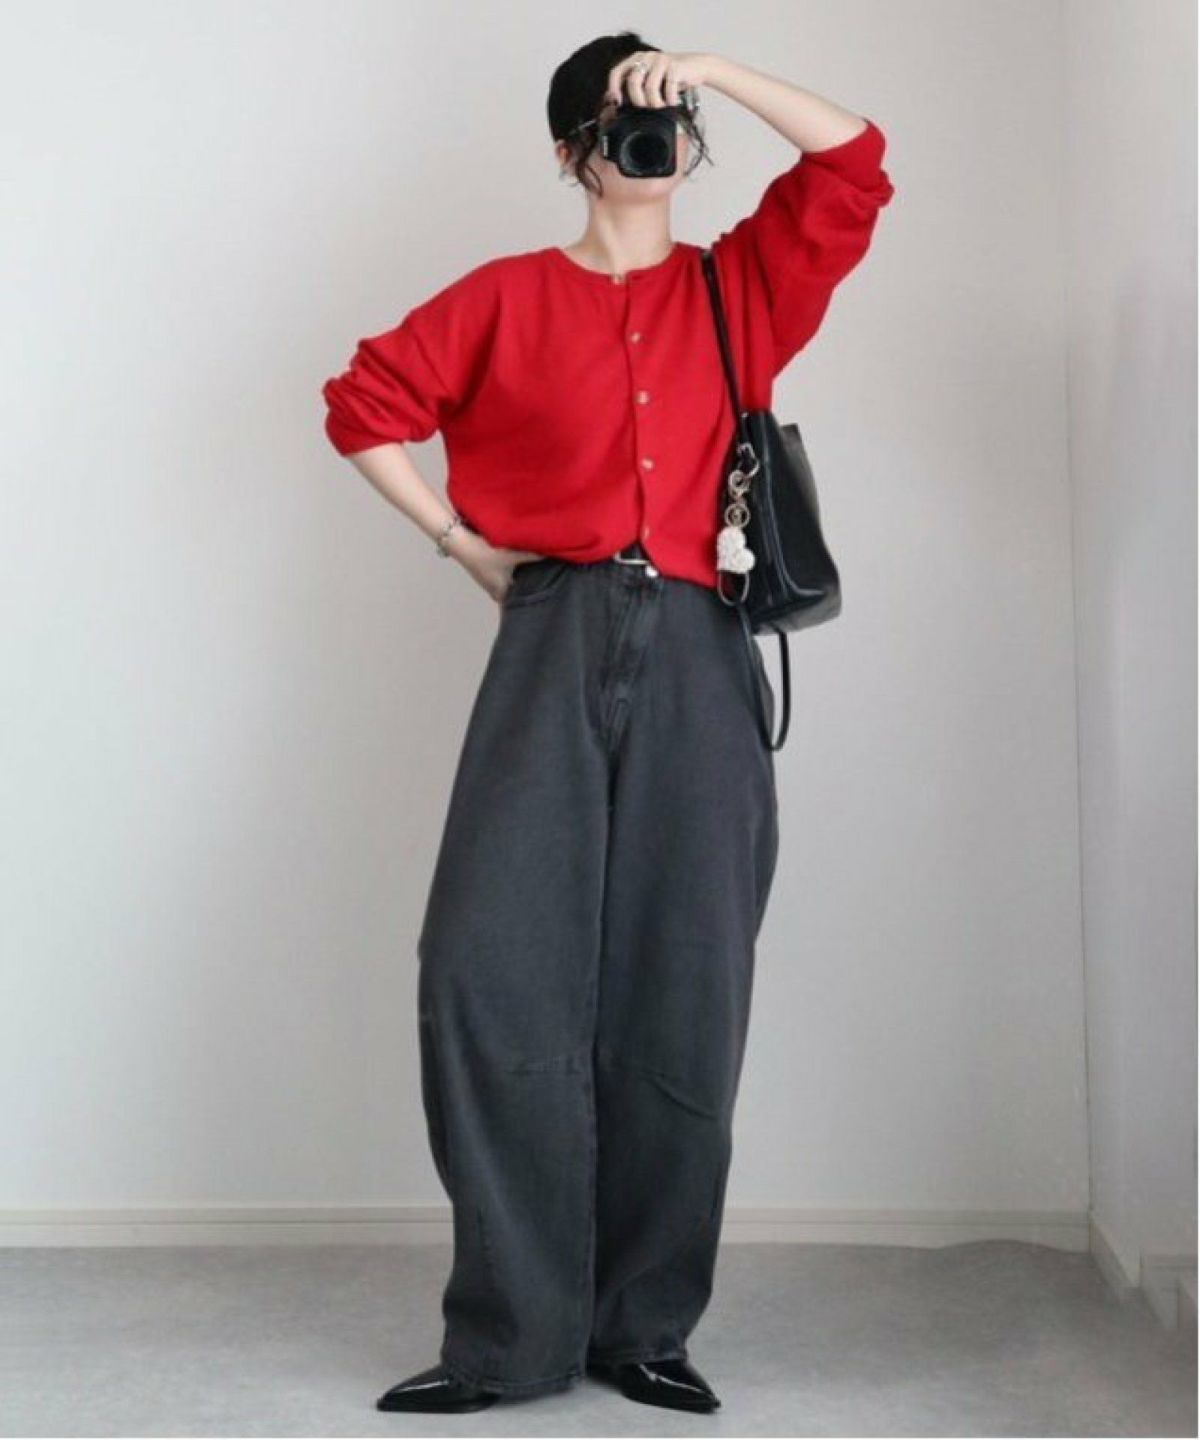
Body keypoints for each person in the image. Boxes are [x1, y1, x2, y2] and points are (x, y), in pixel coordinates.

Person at [320, 32, 895, 1415]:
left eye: (672, 121)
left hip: (701, 644)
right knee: (486, 969)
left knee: (685, 982)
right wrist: (462, 542)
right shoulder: (503, 298)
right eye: (625, 121)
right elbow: (361, 405)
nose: (655, 141)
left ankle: (643, 1328)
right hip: (552, 632)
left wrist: (715, 69)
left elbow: (857, 162)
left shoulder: (740, 290)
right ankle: (511, 1336)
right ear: (569, 150)